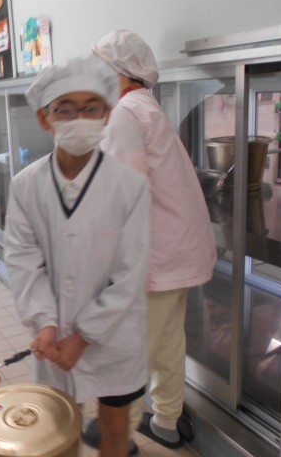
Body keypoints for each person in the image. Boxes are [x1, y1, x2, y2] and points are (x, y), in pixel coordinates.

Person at [4, 54, 151, 457]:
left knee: (114, 431)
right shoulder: (25, 185)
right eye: (65, 109)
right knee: (58, 429)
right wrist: (46, 322)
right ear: (44, 117)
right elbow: (22, 259)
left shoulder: (129, 185)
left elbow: (131, 272)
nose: (79, 119)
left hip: (115, 332)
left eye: (91, 108)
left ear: (107, 114)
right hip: (52, 336)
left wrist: (84, 334)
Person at [82, 29, 217, 453]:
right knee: (168, 342)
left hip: (158, 254)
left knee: (131, 349)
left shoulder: (125, 112)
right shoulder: (145, 105)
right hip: (181, 249)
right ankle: (166, 422)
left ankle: (118, 434)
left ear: (119, 71)